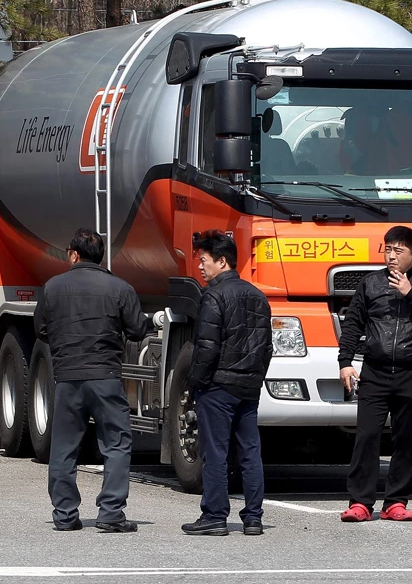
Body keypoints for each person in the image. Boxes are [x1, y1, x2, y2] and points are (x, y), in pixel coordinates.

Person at [34, 228, 155, 533]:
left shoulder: (52, 287)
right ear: (100, 257)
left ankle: (64, 514)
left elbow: (41, 329)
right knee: (116, 443)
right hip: (106, 376)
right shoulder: (119, 287)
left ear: (73, 254)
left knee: (63, 447)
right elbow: (138, 330)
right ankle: (111, 512)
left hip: (67, 378)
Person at [338, 225, 412, 523]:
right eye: (387, 249)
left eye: (398, 251)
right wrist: (345, 361)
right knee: (367, 436)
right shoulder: (370, 283)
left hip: (411, 370)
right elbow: (353, 324)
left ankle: (396, 502)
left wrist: (411, 294)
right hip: (374, 371)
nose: (391, 256)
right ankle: (360, 502)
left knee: (406, 439)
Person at [181, 231, 274, 536]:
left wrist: (196, 383)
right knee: (250, 450)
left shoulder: (214, 295)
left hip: (219, 385)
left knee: (216, 452)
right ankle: (253, 517)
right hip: (249, 386)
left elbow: (207, 347)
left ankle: (215, 515)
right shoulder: (257, 295)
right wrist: (256, 377)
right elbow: (267, 347)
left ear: (222, 261)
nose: (200, 267)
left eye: (204, 260)